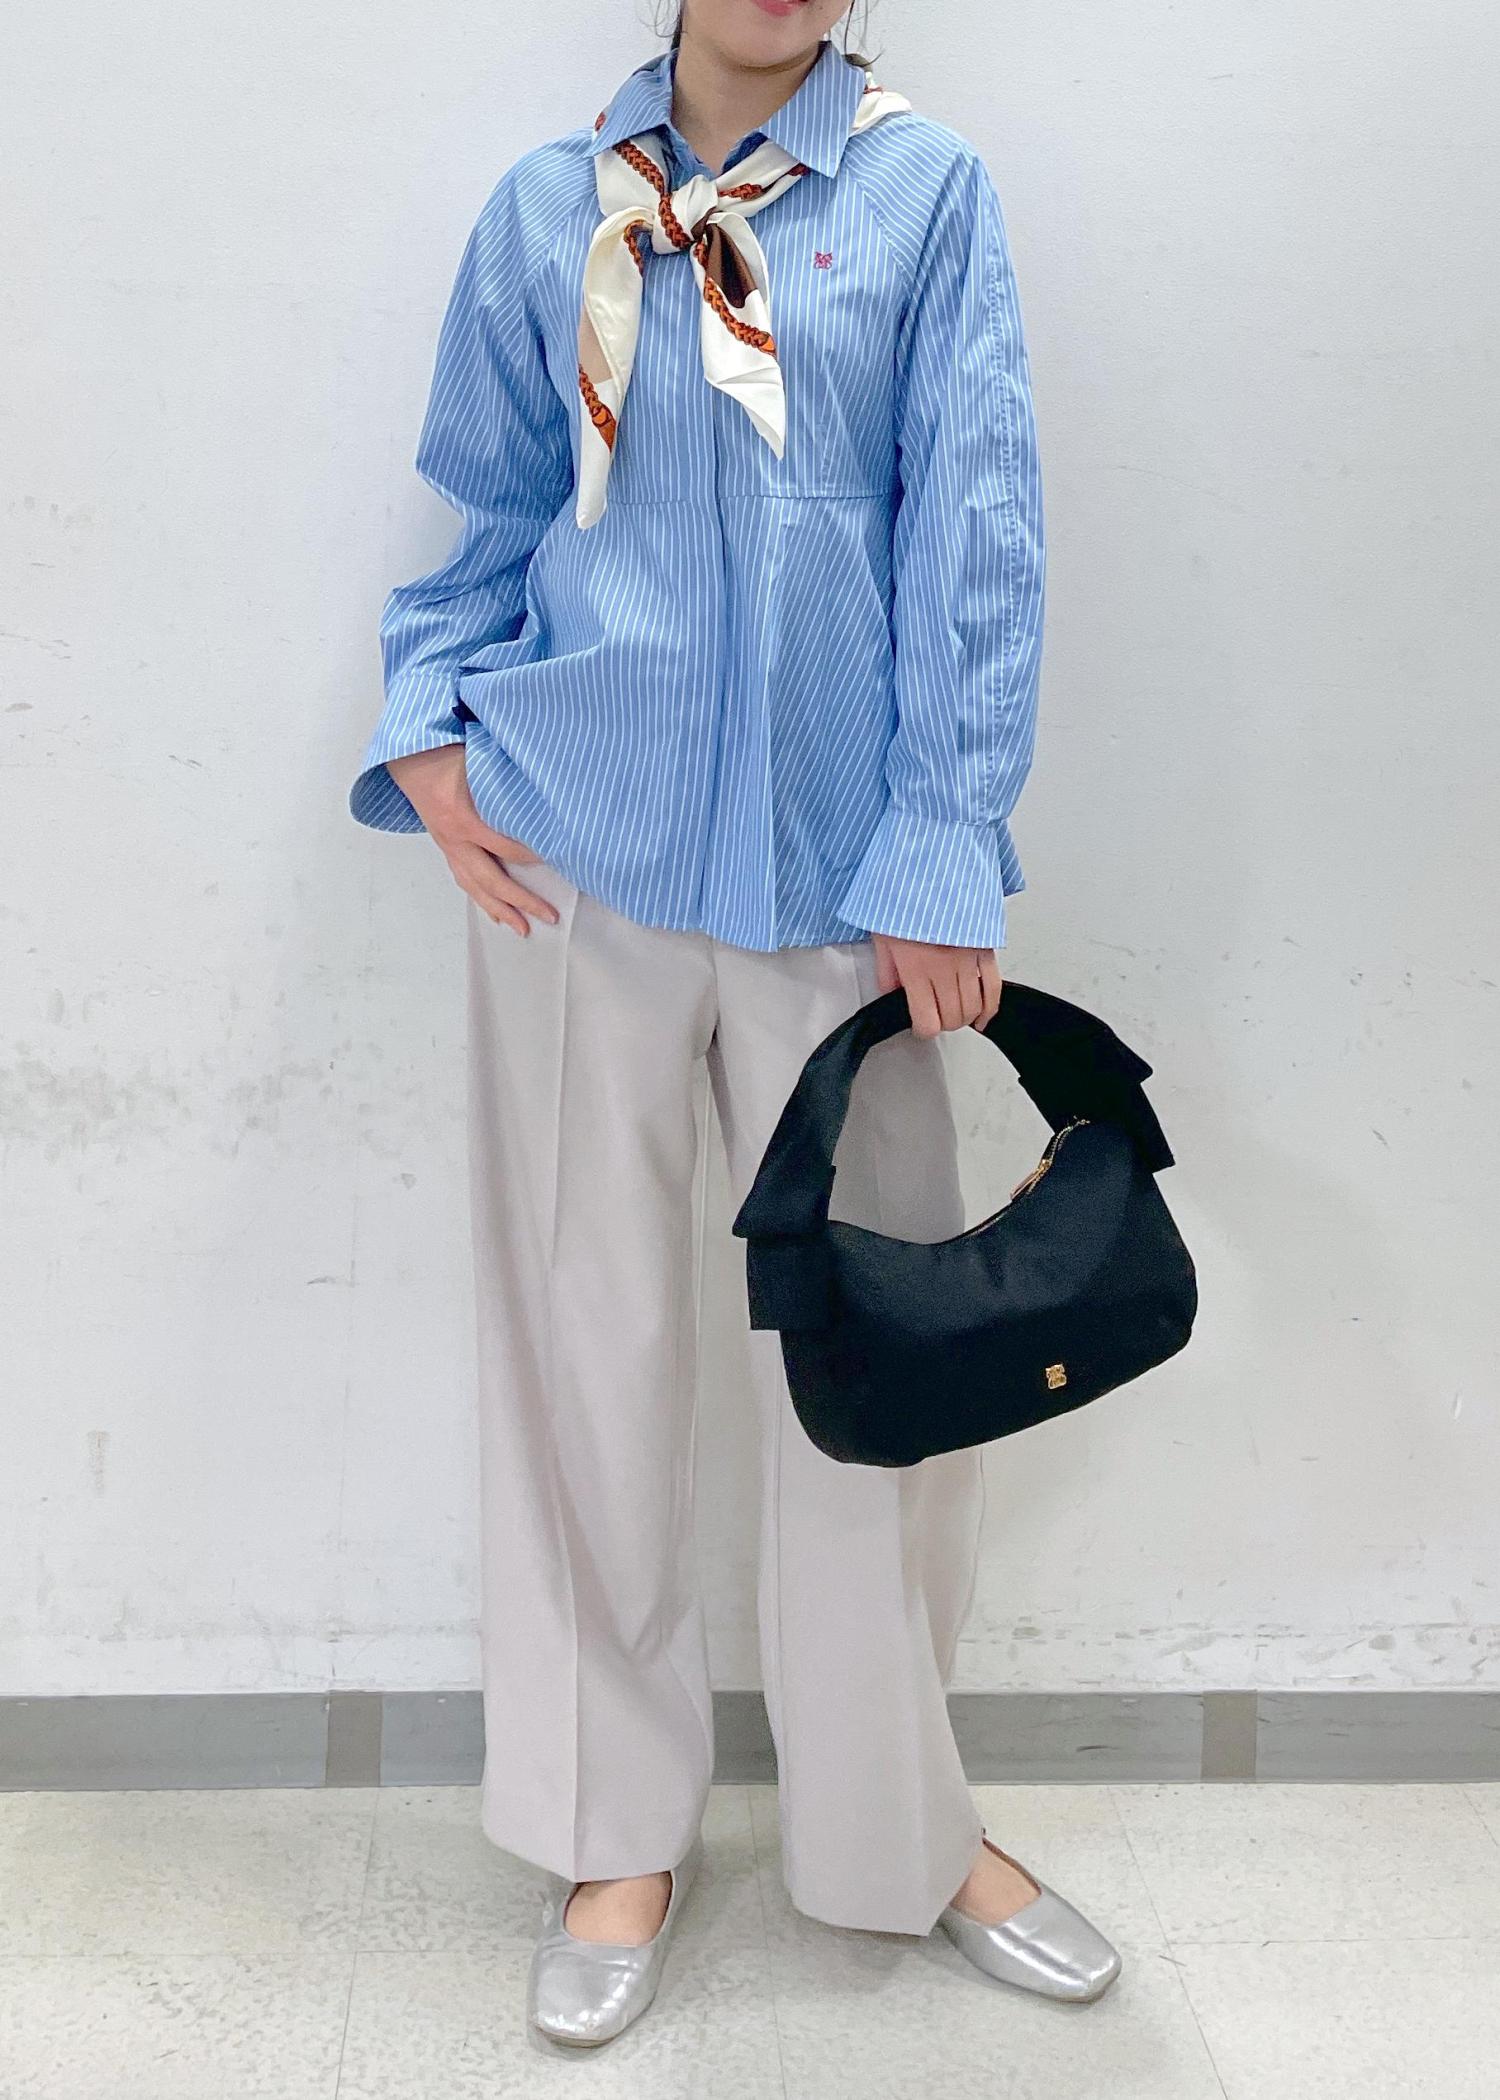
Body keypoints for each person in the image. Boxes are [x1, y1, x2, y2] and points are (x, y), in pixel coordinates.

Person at [350, 0, 1121, 2049]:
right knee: (584, 1350)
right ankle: (612, 1824)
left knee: (880, 1373)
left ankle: (903, 1827)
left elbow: (976, 519)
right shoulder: (550, 210)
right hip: (572, 856)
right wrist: (431, 726)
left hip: (845, 894)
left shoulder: (927, 196)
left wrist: (944, 838)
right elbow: (491, 510)